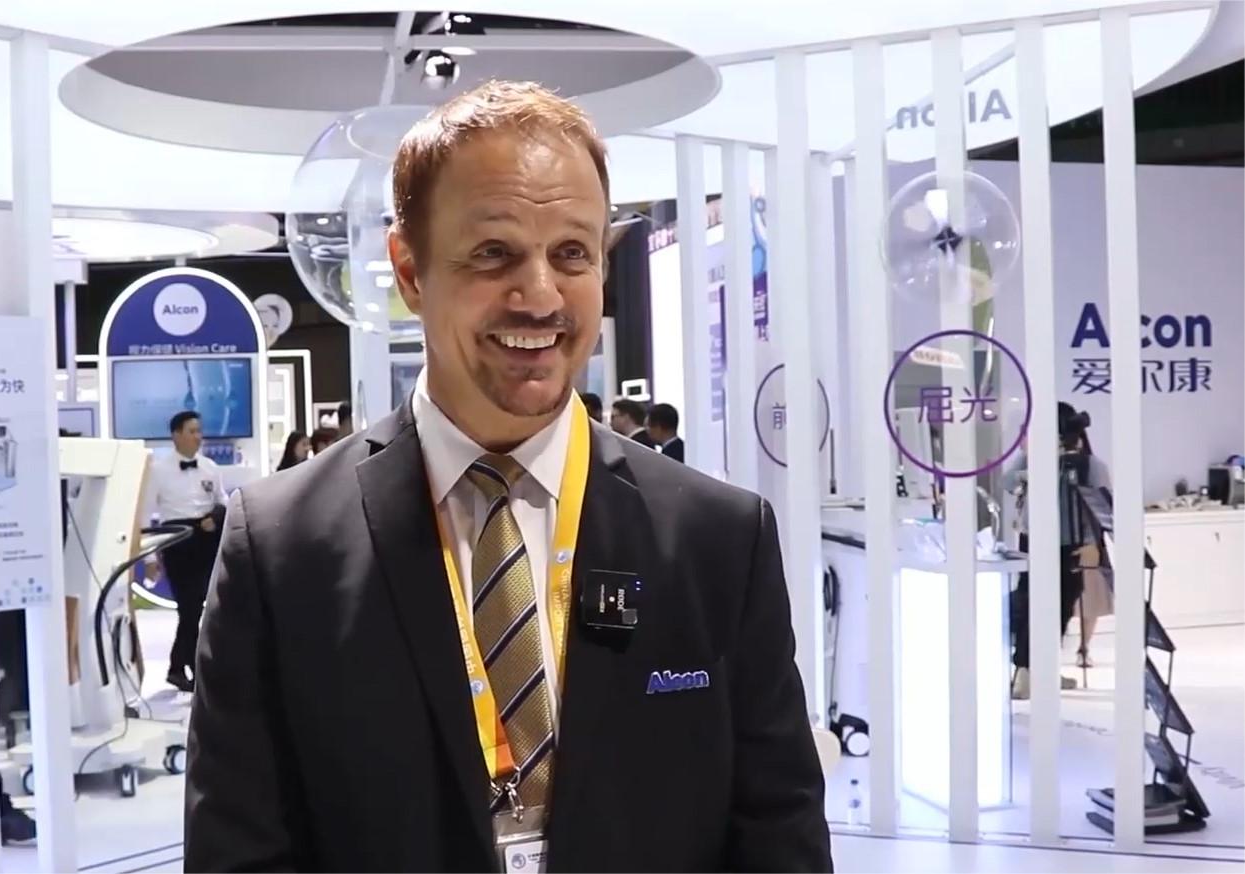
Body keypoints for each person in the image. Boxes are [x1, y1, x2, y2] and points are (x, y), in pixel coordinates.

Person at [184, 80, 830, 872]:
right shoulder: (282, 550)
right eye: (494, 253)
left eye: (572, 253)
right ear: (409, 269)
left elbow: (779, 836)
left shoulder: (717, 541)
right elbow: (239, 853)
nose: (540, 296)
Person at [1005, 402, 1112, 699]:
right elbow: (1007, 482)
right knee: (1032, 604)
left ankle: (1044, 670)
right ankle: (1025, 670)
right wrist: (1030, 460)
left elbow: (1099, 508)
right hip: (1034, 541)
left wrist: (1091, 543)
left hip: (1072, 544)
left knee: (1062, 606)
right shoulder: (1033, 459)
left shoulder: (1089, 465)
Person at [143, 411, 227, 693]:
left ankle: (181, 667)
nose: (198, 436)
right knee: (189, 606)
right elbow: (145, 513)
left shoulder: (210, 467)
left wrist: (215, 516)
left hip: (206, 538)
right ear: (176, 435)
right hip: (177, 540)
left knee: (197, 605)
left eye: (199, 431)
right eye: (192, 431)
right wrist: (150, 557)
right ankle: (183, 666)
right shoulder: (158, 470)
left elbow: (223, 500)